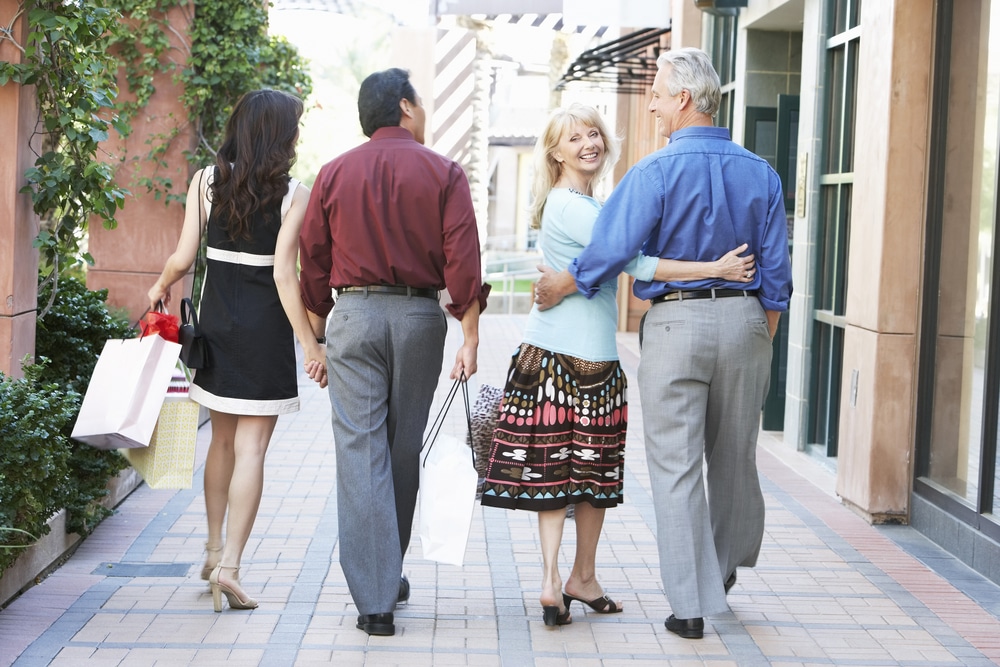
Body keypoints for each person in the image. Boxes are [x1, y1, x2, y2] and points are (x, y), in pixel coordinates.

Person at [535, 48, 793, 639]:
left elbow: (611, 247)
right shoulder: (763, 173)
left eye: (654, 93)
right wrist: (760, 331)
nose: (649, 104)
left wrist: (566, 281)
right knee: (733, 457)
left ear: (682, 99)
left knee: (675, 467)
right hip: (747, 321)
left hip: (676, 325)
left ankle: (690, 607)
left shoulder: (651, 172)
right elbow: (776, 274)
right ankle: (720, 571)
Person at [480, 103, 757, 628]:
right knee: (589, 472)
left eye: (593, 134)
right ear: (554, 152)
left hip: (551, 357)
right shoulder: (577, 207)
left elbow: (615, 253)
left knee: (558, 474)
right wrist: (714, 268)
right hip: (582, 360)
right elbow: (636, 260)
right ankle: (566, 576)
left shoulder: (577, 205)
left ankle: (563, 579)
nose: (588, 143)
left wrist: (565, 277)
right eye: (574, 138)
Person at [298, 67, 490, 638]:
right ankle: (389, 571)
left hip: (352, 316)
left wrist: (317, 331)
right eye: (421, 101)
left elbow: (313, 258)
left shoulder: (333, 173)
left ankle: (375, 596)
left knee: (360, 451)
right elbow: (463, 260)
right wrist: (471, 335)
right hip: (417, 317)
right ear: (405, 107)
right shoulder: (444, 172)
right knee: (402, 448)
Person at [148, 89, 327, 612]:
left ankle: (210, 549)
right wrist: (310, 345)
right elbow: (283, 277)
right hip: (265, 334)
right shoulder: (295, 194)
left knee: (220, 444)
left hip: (216, 329)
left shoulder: (207, 180)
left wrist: (158, 287)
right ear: (279, 135)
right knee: (252, 451)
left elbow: (183, 258)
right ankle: (230, 566)